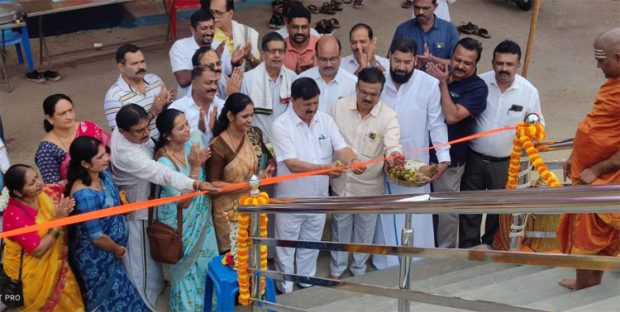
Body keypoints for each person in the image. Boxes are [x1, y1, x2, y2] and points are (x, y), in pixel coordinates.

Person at [110, 104, 217, 310]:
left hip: (201, 221)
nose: (147, 134)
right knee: (143, 268)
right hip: (145, 213)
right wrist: (195, 175)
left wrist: (153, 110)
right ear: (123, 132)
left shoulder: (190, 144)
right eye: (139, 131)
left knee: (204, 267)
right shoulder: (132, 155)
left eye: (147, 126)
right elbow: (163, 175)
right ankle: (145, 305)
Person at [270, 77, 362, 293]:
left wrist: (354, 162)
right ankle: (286, 288)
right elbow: (292, 164)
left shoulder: (326, 121)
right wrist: (325, 169)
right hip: (291, 201)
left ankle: (306, 281)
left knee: (311, 245)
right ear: (292, 101)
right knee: (286, 246)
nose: (312, 109)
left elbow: (341, 147)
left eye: (315, 103)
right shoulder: (280, 126)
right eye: (306, 104)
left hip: (319, 199)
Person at [374, 37, 450, 269]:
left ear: (415, 60)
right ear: (389, 59)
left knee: (415, 215)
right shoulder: (380, 81)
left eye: (407, 62)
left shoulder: (428, 84)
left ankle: (415, 263)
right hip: (384, 162)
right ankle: (384, 262)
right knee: (385, 216)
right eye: (396, 60)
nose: (401, 67)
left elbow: (436, 124)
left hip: (417, 167)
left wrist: (444, 157)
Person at [460, 40, 543, 249]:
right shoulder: (480, 83)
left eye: (509, 64)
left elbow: (537, 123)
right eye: (499, 63)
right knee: (470, 206)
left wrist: (532, 131)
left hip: (505, 164)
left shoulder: (528, 92)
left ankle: (492, 247)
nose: (504, 68)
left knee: (499, 210)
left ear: (517, 65)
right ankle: (468, 248)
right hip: (474, 160)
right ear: (493, 62)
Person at [557, 27, 620, 290]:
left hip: (604, 176)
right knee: (586, 229)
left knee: (591, 232)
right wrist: (576, 154)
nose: (597, 65)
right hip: (588, 171)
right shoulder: (613, 86)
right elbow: (593, 125)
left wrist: (597, 168)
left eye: (601, 59)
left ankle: (586, 283)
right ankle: (588, 280)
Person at [329, 67, 403, 278]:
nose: (368, 98)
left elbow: (392, 144)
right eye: (364, 92)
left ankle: (359, 272)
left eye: (374, 94)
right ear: (356, 87)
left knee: (364, 233)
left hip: (370, 189)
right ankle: (336, 271)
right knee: (340, 229)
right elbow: (331, 140)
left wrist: (395, 156)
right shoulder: (339, 108)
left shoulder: (388, 116)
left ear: (381, 93)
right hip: (342, 184)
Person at [65, 137, 147, 311]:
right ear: (85, 164)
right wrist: (118, 250)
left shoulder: (103, 175)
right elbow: (97, 237)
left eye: (106, 154)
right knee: (111, 300)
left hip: (112, 253)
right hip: (98, 260)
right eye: (100, 157)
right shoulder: (84, 195)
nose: (107, 159)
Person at [153, 109, 219, 311]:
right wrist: (196, 167)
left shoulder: (192, 146)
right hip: (181, 226)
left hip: (203, 222)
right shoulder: (163, 162)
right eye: (181, 127)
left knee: (208, 265)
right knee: (186, 271)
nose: (187, 129)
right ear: (167, 135)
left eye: (187, 124)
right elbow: (183, 202)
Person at [426, 37, 488, 248]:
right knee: (423, 207)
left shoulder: (478, 89)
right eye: (457, 59)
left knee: (445, 212)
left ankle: (443, 255)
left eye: (467, 63)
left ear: (476, 64)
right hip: (425, 155)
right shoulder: (443, 72)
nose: (460, 66)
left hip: (451, 162)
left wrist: (443, 84)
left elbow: (452, 116)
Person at [2, 164, 84, 311]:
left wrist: (63, 210)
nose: (39, 183)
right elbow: (38, 251)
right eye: (32, 183)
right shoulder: (15, 215)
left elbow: (59, 188)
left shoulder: (40, 194)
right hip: (36, 280)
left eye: (36, 177)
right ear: (18, 192)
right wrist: (59, 221)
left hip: (58, 267)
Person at [206, 93, 275, 252]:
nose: (250, 120)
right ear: (230, 116)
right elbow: (212, 184)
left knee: (255, 255)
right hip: (228, 213)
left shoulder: (254, 134)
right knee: (234, 260)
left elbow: (268, 159)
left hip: (253, 205)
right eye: (245, 116)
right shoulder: (218, 146)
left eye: (252, 115)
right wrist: (248, 185)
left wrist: (267, 171)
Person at [35, 93, 110, 185]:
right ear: (49, 118)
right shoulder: (46, 150)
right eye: (62, 113)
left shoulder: (89, 128)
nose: (69, 116)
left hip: (106, 182)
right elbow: (53, 187)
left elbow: (107, 154)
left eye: (70, 110)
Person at [104, 44, 174, 139]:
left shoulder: (155, 80)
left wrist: (166, 105)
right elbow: (120, 135)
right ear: (121, 67)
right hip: (141, 150)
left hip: (165, 143)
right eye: (134, 63)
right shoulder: (114, 97)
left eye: (142, 61)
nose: (141, 66)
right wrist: (152, 113)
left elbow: (166, 114)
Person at [241, 32, 297, 143]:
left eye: (280, 51)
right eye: (273, 51)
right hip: (257, 143)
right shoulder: (248, 79)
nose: (277, 55)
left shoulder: (292, 77)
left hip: (287, 141)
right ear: (263, 54)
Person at [169, 10, 234, 99]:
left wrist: (236, 62)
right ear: (193, 30)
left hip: (219, 103)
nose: (209, 32)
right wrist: (214, 59)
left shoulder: (219, 45)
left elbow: (230, 75)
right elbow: (183, 80)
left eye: (211, 27)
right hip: (189, 107)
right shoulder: (180, 46)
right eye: (204, 28)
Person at [391, 0, 459, 69]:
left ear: (435, 7)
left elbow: (457, 63)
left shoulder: (450, 30)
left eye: (425, 8)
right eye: (417, 7)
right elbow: (391, 59)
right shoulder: (403, 29)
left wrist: (432, 59)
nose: (420, 12)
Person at [299, 36, 357, 114]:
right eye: (323, 59)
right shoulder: (302, 80)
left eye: (333, 59)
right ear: (316, 56)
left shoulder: (353, 83)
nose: (328, 64)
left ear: (340, 56)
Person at [170, 65, 225, 147]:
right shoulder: (177, 108)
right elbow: (173, 144)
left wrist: (215, 130)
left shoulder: (223, 106)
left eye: (215, 83)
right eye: (208, 83)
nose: (214, 87)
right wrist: (200, 131)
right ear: (194, 84)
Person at [203, 0, 261, 69]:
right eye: (211, 12)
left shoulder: (247, 32)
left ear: (230, 14)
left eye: (218, 13)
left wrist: (249, 56)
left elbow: (259, 68)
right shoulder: (205, 36)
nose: (213, 17)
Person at [282, 4, 320, 74]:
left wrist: (315, 72)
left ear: (309, 27)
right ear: (287, 27)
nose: (299, 31)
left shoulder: (320, 45)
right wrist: (297, 74)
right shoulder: (280, 48)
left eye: (304, 27)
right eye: (295, 27)